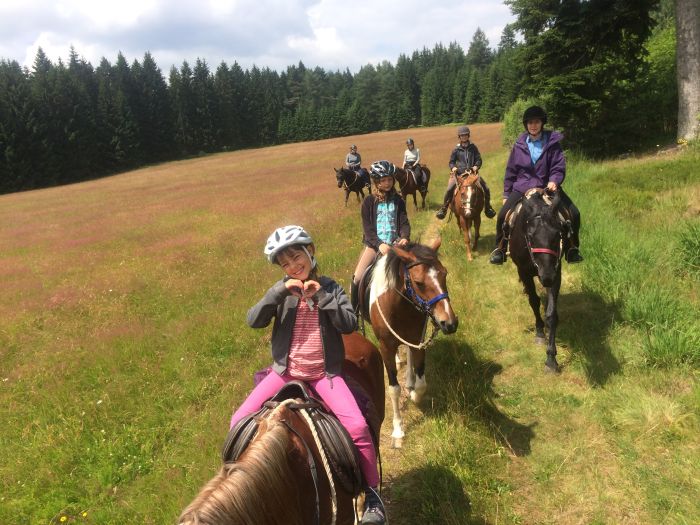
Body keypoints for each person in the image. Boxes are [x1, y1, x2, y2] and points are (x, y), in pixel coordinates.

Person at [229, 224, 387, 525]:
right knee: (238, 420)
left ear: (310, 252)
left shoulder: (331, 287)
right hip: (285, 373)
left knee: (357, 428)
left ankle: (373, 494)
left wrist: (323, 298)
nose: (292, 266)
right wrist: (277, 292)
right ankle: (240, 488)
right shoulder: (281, 293)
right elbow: (254, 320)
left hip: (322, 375)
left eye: (296, 257)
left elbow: (348, 324)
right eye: (284, 263)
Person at [489, 105, 583, 265]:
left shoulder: (553, 143)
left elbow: (558, 166)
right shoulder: (519, 146)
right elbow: (511, 171)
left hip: (547, 187)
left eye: (537, 122)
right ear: (526, 124)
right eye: (530, 122)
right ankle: (500, 249)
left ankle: (572, 248)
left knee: (574, 213)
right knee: (502, 216)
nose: (533, 125)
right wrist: (506, 194)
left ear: (542, 123)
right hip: (522, 187)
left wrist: (554, 180)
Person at [351, 161, 410, 313]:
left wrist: (405, 236)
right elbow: (368, 230)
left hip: (396, 245)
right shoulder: (369, 202)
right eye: (383, 180)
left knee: (413, 273)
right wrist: (379, 244)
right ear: (376, 182)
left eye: (390, 179)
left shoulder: (399, 201)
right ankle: (354, 313)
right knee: (357, 278)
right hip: (374, 246)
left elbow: (404, 223)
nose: (387, 183)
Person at [435, 125, 496, 220]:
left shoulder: (473, 147)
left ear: (468, 136)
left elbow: (478, 159)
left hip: (472, 175)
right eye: (462, 135)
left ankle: (488, 208)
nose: (464, 137)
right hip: (459, 175)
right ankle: (444, 208)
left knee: (486, 188)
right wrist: (453, 168)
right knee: (449, 189)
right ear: (459, 137)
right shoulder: (456, 149)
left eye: (465, 135)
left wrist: (476, 166)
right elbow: (451, 162)